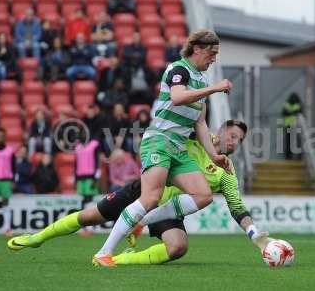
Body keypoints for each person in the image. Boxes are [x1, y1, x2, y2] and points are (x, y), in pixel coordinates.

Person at [7, 120, 271, 266]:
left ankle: (120, 259)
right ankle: (37, 237)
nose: (234, 142)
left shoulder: (227, 172)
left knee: (178, 247)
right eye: (232, 135)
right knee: (89, 217)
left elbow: (237, 207)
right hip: (146, 189)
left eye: (240, 140)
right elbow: (173, 123)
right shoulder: (196, 138)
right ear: (221, 131)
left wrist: (254, 234)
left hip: (169, 210)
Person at [92, 29, 235, 266]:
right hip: (159, 140)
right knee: (151, 196)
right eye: (211, 53)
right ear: (197, 49)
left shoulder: (201, 80)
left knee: (203, 195)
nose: (214, 59)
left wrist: (214, 155)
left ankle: (140, 222)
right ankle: (103, 253)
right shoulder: (178, 69)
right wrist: (215, 89)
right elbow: (178, 97)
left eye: (216, 55)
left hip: (178, 148)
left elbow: (199, 122)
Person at [75, 137, 101, 234]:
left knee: (90, 199)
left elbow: (97, 160)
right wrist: (75, 178)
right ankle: (83, 224)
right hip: (81, 177)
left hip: (91, 177)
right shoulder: (77, 147)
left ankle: (91, 225)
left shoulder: (94, 145)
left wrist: (97, 176)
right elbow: (76, 163)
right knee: (84, 200)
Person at [0, 128, 15, 237]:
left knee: (5, 203)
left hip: (5, 180)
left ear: (4, 137)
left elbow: (14, 166)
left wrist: (13, 180)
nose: (0, 137)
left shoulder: (10, 150)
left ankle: (7, 228)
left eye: (1, 135)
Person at [282, 92, 303, 160]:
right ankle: (298, 157)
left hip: (289, 126)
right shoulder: (298, 104)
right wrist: (293, 113)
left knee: (289, 143)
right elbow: (299, 112)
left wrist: (290, 113)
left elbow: (284, 113)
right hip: (296, 126)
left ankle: (288, 157)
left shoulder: (287, 104)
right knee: (297, 143)